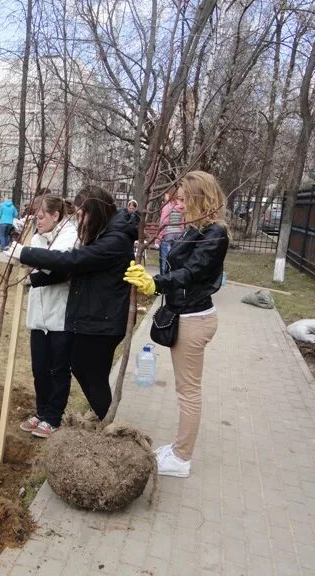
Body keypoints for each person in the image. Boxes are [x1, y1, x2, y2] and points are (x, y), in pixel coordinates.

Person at [124, 170, 229, 478]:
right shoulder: (197, 228)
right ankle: (178, 448)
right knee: (186, 390)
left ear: (200, 197)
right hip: (187, 313)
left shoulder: (215, 233)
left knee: (188, 391)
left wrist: (153, 284)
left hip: (194, 319)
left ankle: (182, 458)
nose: (179, 205)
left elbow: (191, 273)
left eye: (184, 199)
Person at [7, 185, 137, 420]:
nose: (79, 221)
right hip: (95, 316)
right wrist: (33, 278)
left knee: (91, 374)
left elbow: (73, 261)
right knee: (80, 366)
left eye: (81, 215)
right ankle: (103, 418)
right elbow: (75, 271)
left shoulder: (114, 240)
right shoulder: (104, 234)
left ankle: (108, 423)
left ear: (95, 211)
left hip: (105, 319)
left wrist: (25, 253)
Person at [19, 195, 79, 438]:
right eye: (35, 215)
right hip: (38, 316)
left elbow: (57, 264)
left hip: (60, 314)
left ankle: (54, 416)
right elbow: (37, 266)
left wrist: (28, 256)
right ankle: (41, 411)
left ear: (56, 216)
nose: (38, 220)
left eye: (42, 215)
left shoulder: (70, 235)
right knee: (40, 368)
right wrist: (31, 258)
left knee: (58, 369)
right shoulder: (35, 237)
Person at [157, 189, 184, 275]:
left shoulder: (167, 207)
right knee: (175, 259)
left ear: (169, 195)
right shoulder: (181, 207)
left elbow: (163, 223)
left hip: (168, 235)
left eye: (166, 194)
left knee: (165, 260)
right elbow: (182, 222)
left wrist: (158, 239)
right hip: (179, 235)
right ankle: (173, 278)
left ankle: (164, 280)